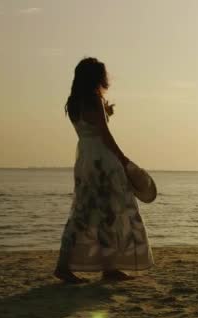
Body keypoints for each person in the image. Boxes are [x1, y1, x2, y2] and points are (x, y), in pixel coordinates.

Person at [54, 57, 154, 283]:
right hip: (102, 159)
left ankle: (64, 265)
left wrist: (106, 112)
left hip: (85, 159)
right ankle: (109, 268)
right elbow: (104, 134)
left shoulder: (73, 102)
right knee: (109, 212)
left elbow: (88, 127)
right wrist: (122, 158)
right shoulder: (94, 100)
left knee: (82, 212)